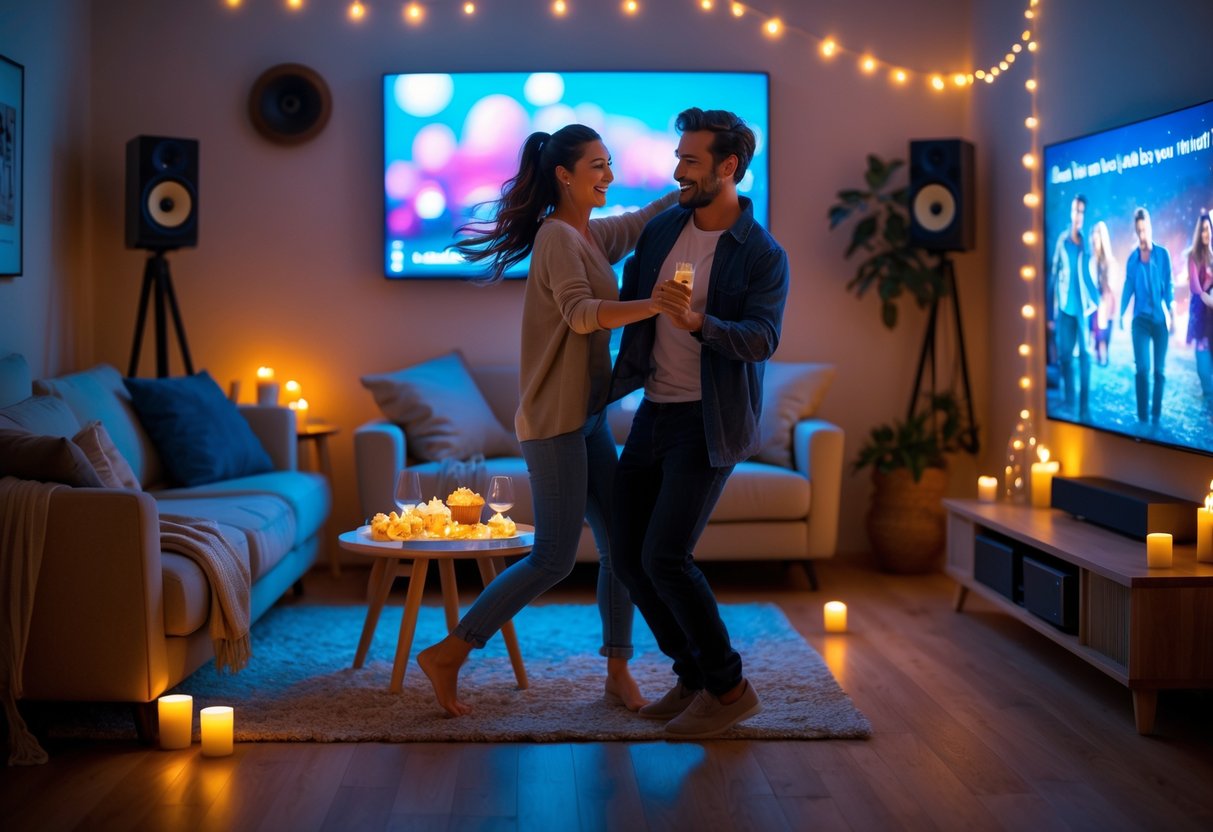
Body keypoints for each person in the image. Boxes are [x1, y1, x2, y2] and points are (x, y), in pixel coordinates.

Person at [417, 125, 677, 717]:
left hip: (583, 417)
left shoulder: (587, 232)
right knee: (555, 557)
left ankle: (617, 672)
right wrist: (657, 305)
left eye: (610, 164)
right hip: (554, 422)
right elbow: (584, 316)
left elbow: (637, 223)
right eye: (596, 166)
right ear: (564, 174)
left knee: (622, 545)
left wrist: (682, 192)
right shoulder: (557, 238)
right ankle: (450, 652)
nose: (607, 175)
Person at [608, 107, 789, 738]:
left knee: (666, 556)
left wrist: (699, 325)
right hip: (654, 410)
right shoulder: (662, 229)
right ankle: (693, 676)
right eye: (678, 155)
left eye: (690, 159)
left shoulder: (762, 253)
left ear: (728, 167)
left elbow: (762, 339)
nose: (676, 169)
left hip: (708, 422)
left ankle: (730, 687)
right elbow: (631, 301)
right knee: (627, 555)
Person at [1119, 206, 1174, 426]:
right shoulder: (1132, 260)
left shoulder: (1162, 255)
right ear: (1136, 231)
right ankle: (1142, 418)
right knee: (1142, 369)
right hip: (1140, 321)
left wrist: (1171, 309)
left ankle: (1156, 417)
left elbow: (1168, 284)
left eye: (1145, 229)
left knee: (1159, 372)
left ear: (1150, 227)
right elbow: (1128, 287)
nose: (1143, 234)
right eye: (1139, 230)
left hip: (1160, 321)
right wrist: (1121, 313)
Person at [1051, 194, 1099, 420]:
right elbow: (1053, 275)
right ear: (1071, 212)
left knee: (1086, 358)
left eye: (1082, 212)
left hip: (1082, 311)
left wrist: (1097, 301)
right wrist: (1049, 312)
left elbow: (1088, 277)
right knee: (1065, 357)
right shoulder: (1062, 242)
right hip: (1064, 309)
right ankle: (1070, 400)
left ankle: (1084, 407)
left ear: (1084, 216)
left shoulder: (1085, 245)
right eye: (1076, 210)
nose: (1078, 215)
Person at [1185, 212, 1213, 399]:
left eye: (1208, 229)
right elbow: (1195, 287)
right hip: (1201, 314)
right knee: (1203, 367)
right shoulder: (1193, 255)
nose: (1206, 233)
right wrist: (1208, 298)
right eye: (1202, 230)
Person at [1089, 220, 1119, 369]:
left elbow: (1111, 287)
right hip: (1095, 303)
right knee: (1097, 331)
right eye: (1094, 237)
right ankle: (1098, 352)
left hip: (1107, 304)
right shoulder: (1091, 261)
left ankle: (1103, 353)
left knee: (1104, 332)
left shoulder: (1110, 262)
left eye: (1098, 237)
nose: (1096, 241)